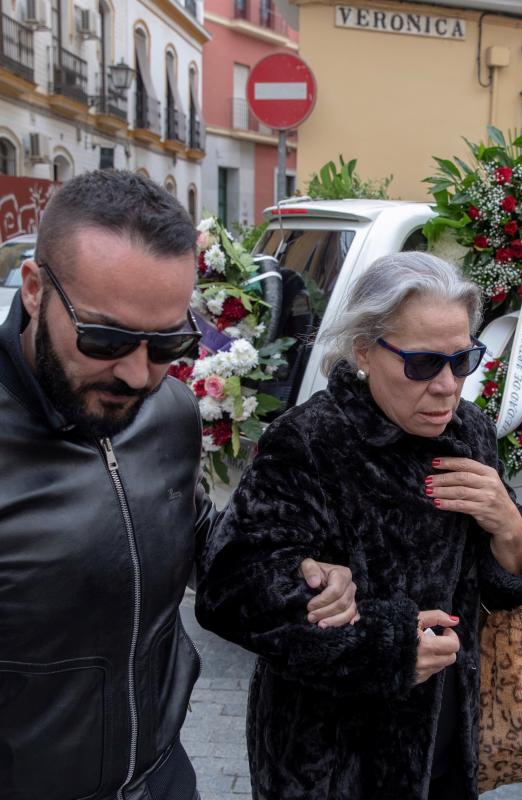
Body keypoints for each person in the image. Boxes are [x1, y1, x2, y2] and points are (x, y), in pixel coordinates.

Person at [0, 170, 357, 800]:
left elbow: (188, 534)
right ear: (34, 290)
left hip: (164, 777)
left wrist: (295, 570)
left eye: (168, 342)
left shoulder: (169, 412)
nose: (138, 375)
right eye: (105, 338)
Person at [195, 252, 522, 800]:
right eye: (422, 364)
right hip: (334, 760)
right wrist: (384, 646)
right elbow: (229, 588)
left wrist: (511, 528)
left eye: (463, 360)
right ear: (364, 348)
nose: (446, 386)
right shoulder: (310, 441)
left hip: (446, 741)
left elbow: (496, 587)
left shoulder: (472, 432)